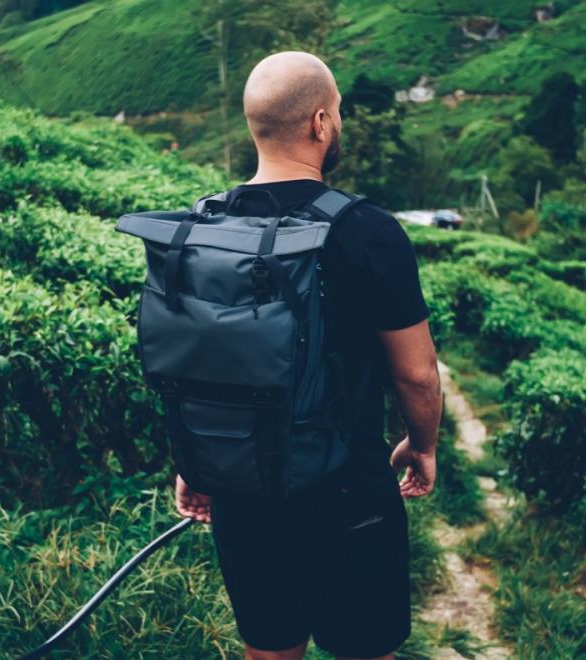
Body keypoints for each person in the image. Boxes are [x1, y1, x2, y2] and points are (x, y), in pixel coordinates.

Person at [173, 51, 443, 660]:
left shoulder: (205, 228)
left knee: (269, 650)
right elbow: (417, 374)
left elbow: (197, 362)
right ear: (320, 124)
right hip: (347, 487)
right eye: (339, 112)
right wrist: (421, 445)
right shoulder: (369, 230)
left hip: (242, 487)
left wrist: (198, 460)